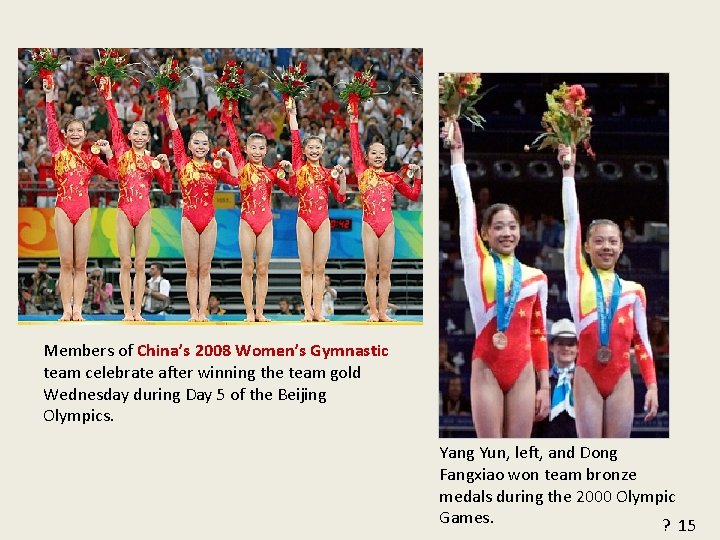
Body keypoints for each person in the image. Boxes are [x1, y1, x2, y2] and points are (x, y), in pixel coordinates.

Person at [447, 118, 550, 437]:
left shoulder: (536, 278)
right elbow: (465, 203)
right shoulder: (477, 261)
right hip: (487, 367)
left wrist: (544, 385)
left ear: (521, 231)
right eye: (499, 227)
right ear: (485, 234)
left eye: (512, 226)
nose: (506, 232)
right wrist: (457, 154)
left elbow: (538, 334)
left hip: (523, 371)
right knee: (490, 451)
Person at [560, 144, 658, 438]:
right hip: (588, 374)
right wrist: (568, 173)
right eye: (599, 241)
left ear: (621, 247)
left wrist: (651, 384)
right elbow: (571, 221)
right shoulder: (578, 277)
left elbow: (641, 342)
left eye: (612, 242)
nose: (606, 247)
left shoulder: (633, 291)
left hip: (621, 377)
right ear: (587, 247)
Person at [42, 76, 118, 321]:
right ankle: (66, 309)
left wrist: (108, 153)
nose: (75, 134)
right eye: (71, 131)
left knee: (81, 264)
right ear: (65, 134)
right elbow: (50, 123)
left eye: (79, 131)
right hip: (63, 207)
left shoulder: (91, 158)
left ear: (86, 135)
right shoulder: (58, 150)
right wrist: (49, 95)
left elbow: (116, 175)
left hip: (83, 209)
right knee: (66, 262)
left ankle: (78, 309)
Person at [102, 77, 173, 321]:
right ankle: (126, 310)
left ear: (149, 137)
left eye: (145, 133)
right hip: (124, 210)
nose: (140, 136)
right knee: (124, 263)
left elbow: (166, 187)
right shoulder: (121, 151)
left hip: (143, 211)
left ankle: (138, 311)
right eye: (136, 132)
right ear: (130, 135)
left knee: (140, 264)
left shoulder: (152, 160)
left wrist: (165, 167)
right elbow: (113, 122)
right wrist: (109, 95)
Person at [164, 96, 239, 322]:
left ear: (209, 147)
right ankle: (192, 312)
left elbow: (236, 181)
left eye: (204, 143)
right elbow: (175, 130)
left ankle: (203, 311)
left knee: (205, 269)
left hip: (209, 220)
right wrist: (167, 104)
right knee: (192, 269)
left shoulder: (214, 167)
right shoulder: (182, 162)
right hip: (189, 218)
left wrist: (229, 157)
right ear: (189, 146)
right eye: (196, 143)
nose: (200, 146)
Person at [348, 107, 422, 322]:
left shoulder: (393, 177)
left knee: (386, 272)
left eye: (382, 153)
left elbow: (414, 195)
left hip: (387, 225)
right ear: (367, 157)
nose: (378, 156)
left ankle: (383, 312)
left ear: (387, 156)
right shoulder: (362, 172)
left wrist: (417, 176)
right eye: (374, 153)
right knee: (371, 270)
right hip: (369, 224)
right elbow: (354, 144)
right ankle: (372, 311)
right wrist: (353, 118)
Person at [221, 109, 294, 322]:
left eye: (261, 148)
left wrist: (289, 172)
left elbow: (291, 191)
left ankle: (260, 311)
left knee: (262, 269)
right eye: (253, 147)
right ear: (245, 149)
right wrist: (228, 115)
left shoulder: (272, 172)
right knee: (248, 267)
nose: (257, 151)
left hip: (266, 222)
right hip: (246, 221)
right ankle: (249, 312)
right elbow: (233, 139)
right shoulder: (242, 168)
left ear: (266, 150)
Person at [286, 102, 347, 321]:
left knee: (320, 268)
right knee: (306, 268)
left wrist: (341, 177)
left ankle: (318, 311)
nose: (313, 151)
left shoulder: (328, 173)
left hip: (322, 221)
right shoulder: (299, 167)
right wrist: (292, 114)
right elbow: (294, 137)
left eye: (317, 148)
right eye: (309, 148)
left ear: (322, 150)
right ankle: (307, 310)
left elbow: (340, 197)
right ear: (304, 151)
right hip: (304, 219)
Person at [532, 319, 578, 438]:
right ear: (551, 347)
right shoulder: (540, 382)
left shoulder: (586, 382)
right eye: (561, 343)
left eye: (571, 344)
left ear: (578, 348)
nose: (566, 348)